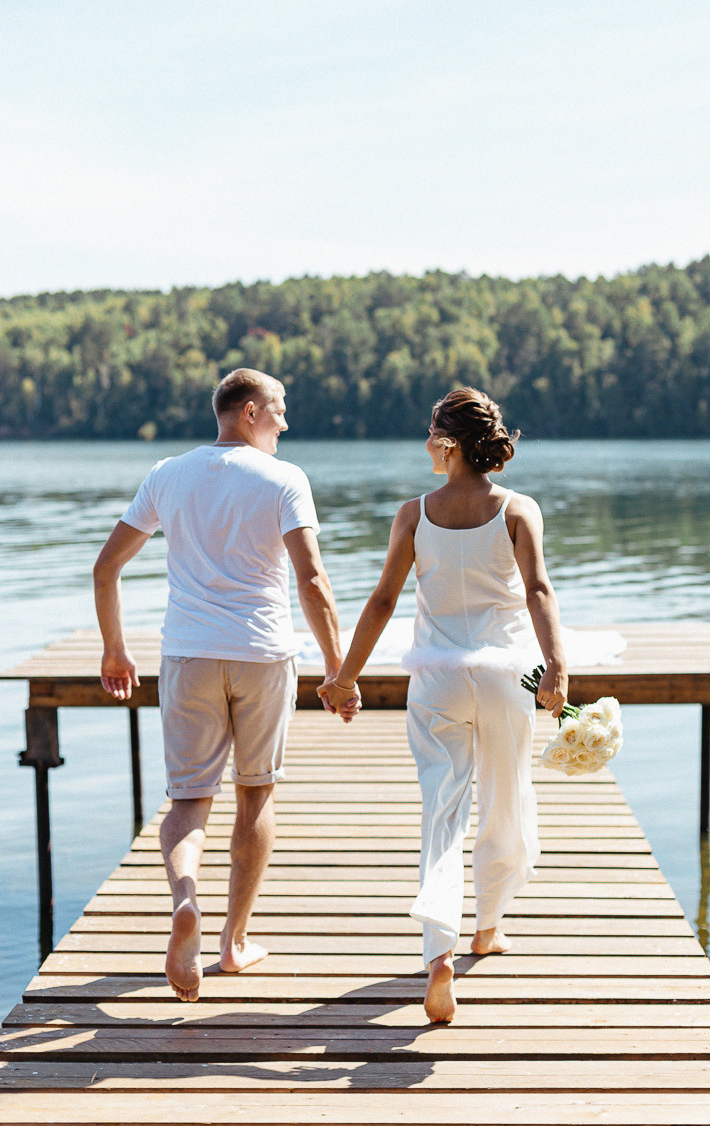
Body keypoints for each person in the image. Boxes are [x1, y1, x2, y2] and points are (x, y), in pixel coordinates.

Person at [93, 368, 355, 1003]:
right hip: (262, 654)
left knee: (188, 802)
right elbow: (312, 580)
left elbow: (106, 567)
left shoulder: (167, 474)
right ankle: (233, 944)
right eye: (278, 409)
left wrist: (115, 649)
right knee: (255, 794)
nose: (285, 422)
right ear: (248, 412)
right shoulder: (284, 479)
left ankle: (185, 900)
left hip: (189, 655)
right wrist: (337, 670)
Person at [319, 387, 567, 1023]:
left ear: (449, 442)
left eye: (431, 432)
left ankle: (440, 957)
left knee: (443, 813)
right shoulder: (518, 509)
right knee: (506, 799)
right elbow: (538, 590)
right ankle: (488, 928)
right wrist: (557, 667)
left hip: (437, 682)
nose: (426, 443)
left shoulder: (414, 514)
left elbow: (383, 600)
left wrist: (345, 678)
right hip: (507, 676)